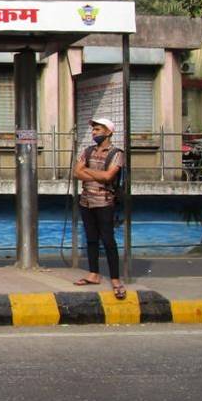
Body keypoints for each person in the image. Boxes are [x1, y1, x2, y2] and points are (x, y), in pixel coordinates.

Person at [72, 117, 126, 299]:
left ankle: (116, 278)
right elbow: (76, 172)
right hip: (86, 201)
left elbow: (109, 176)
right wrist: (97, 175)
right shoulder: (87, 151)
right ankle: (93, 273)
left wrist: (88, 172)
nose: (94, 132)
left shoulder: (117, 153)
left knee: (108, 240)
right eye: (93, 130)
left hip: (104, 201)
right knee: (91, 239)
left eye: (98, 129)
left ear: (108, 132)